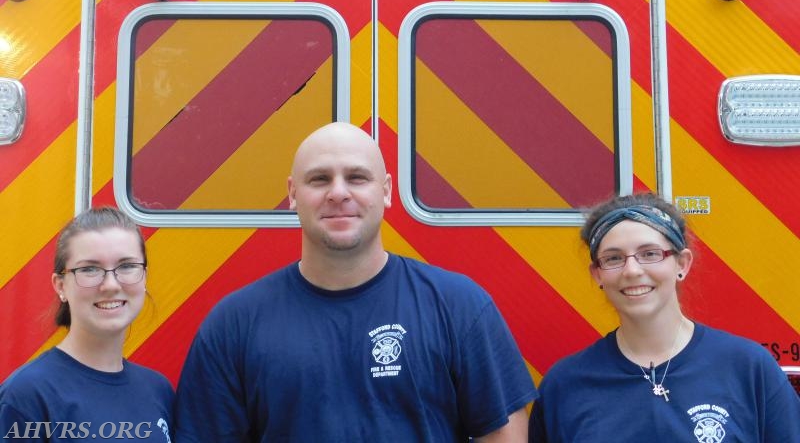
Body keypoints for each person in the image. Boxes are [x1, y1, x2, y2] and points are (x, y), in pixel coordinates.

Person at [175, 121, 536, 442]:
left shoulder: (459, 306)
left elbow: (503, 433)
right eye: (319, 179)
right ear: (292, 194)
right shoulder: (233, 325)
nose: (338, 192)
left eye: (357, 177)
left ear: (386, 191)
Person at [528, 192, 800, 442]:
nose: (632, 270)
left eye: (650, 254)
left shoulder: (749, 368)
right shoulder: (564, 385)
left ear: (681, 264)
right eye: (613, 258)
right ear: (597, 274)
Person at [0, 207, 174, 442]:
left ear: (144, 276)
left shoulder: (158, 391)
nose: (111, 284)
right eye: (90, 269)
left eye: (127, 266)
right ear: (60, 286)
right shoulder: (27, 395)